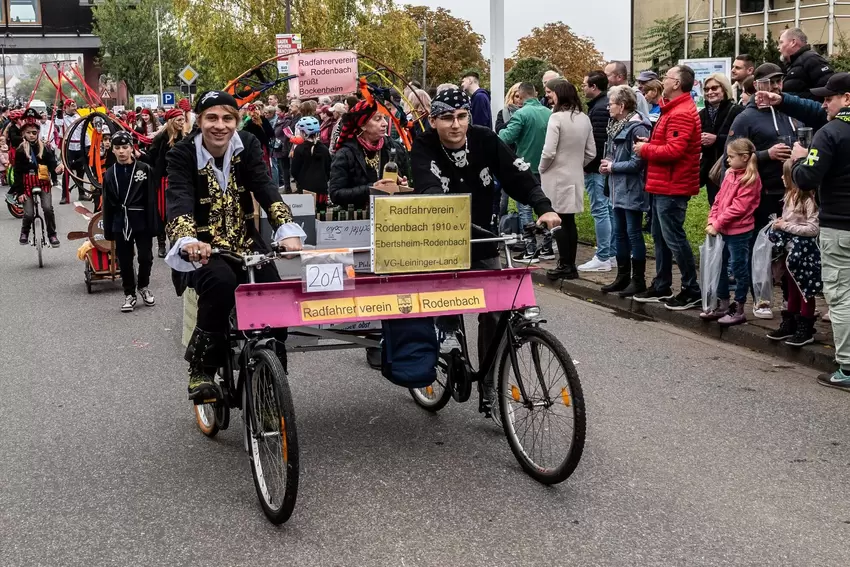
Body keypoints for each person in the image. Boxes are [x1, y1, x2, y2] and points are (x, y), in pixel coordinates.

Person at [409, 88, 561, 411]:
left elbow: (517, 174)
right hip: (441, 239)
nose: (456, 125)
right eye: (447, 118)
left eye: (462, 116)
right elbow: (427, 183)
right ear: (433, 119)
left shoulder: (485, 139)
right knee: (448, 296)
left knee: (495, 311)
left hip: (484, 235)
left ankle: (490, 385)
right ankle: (447, 334)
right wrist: (443, 209)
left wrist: (543, 207)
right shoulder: (423, 145)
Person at [164, 90, 306, 403]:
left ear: (236, 120)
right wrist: (188, 240)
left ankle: (271, 390)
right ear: (199, 121)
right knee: (221, 283)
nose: (220, 126)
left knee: (275, 300)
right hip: (203, 248)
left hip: (246, 245)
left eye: (227, 118)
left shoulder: (248, 145)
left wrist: (285, 227)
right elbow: (179, 199)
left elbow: (264, 185)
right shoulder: (182, 154)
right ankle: (201, 369)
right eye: (211, 118)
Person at [787, 72, 850, 390]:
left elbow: (807, 179)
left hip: (839, 226)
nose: (823, 103)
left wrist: (799, 160)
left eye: (829, 98)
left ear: (847, 99)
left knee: (840, 297)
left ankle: (848, 367)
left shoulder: (831, 133)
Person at [725, 63, 799, 319]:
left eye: (779, 81)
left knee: (790, 250)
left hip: (791, 194)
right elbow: (730, 153)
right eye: (770, 82)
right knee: (760, 250)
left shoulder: (789, 111)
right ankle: (761, 299)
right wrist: (766, 154)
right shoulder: (746, 117)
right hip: (761, 194)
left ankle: (791, 301)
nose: (775, 87)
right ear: (757, 85)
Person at [633, 65, 702, 310]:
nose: (663, 80)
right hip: (663, 183)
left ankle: (692, 289)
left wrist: (645, 149)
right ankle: (662, 284)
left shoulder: (680, 112)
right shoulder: (671, 108)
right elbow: (669, 142)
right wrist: (650, 142)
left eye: (667, 77)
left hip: (673, 185)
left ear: (677, 83)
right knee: (660, 237)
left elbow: (675, 151)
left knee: (673, 238)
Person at [538, 79, 595, 281]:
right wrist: (576, 164)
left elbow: (549, 151)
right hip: (574, 174)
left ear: (559, 95)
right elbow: (591, 152)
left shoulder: (556, 119)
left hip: (555, 175)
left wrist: (542, 168)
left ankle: (565, 264)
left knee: (558, 221)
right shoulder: (584, 119)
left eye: (551, 93)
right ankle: (570, 264)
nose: (548, 96)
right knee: (570, 221)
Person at [700, 138, 762, 325]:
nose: (727, 160)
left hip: (739, 232)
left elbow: (739, 208)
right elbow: (719, 199)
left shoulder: (751, 179)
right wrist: (712, 219)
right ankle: (723, 303)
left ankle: (739, 307)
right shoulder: (729, 174)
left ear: (744, 158)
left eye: (731, 156)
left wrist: (717, 224)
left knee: (738, 268)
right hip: (721, 228)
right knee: (718, 264)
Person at [598, 85, 651, 297]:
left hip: (632, 189)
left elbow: (638, 163)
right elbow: (612, 151)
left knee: (633, 233)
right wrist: (608, 162)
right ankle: (622, 277)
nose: (608, 107)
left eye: (610, 104)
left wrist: (612, 167)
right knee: (620, 234)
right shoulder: (616, 125)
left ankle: (638, 280)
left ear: (621, 105)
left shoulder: (638, 128)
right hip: (616, 188)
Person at [766, 160, 821, 346]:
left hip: (804, 253)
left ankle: (805, 326)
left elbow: (813, 228)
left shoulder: (807, 199)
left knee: (805, 288)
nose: (781, 177)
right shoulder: (789, 195)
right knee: (791, 287)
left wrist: (786, 226)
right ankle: (790, 322)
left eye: (784, 174)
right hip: (790, 252)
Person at [102, 131, 158, 312]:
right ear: (112, 150)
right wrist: (109, 228)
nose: (121, 152)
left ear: (132, 148)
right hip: (120, 220)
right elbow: (107, 202)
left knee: (145, 257)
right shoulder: (110, 173)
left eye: (125, 147)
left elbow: (151, 198)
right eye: (117, 148)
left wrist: (154, 223)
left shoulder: (143, 169)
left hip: (141, 218)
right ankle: (129, 293)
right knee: (124, 260)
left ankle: (143, 286)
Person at [498, 82, 554, 262]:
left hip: (525, 168)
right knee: (544, 207)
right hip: (547, 168)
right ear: (536, 93)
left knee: (525, 210)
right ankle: (547, 247)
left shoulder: (521, 114)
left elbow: (505, 138)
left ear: (521, 96)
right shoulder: (549, 113)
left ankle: (530, 250)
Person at [328, 99, 411, 209]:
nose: (385, 123)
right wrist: (371, 189)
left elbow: (409, 181)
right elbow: (335, 194)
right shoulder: (345, 154)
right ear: (362, 125)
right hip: (360, 220)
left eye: (384, 118)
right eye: (378, 119)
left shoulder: (395, 148)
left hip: (392, 215)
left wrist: (404, 186)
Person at [13, 108, 64, 248]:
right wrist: (20, 192)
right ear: (23, 133)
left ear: (38, 133)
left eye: (34, 133)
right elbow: (17, 172)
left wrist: (57, 170)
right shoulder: (20, 150)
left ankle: (52, 234)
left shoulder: (45, 147)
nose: (31, 135)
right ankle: (24, 232)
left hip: (43, 182)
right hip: (26, 184)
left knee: (47, 208)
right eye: (28, 133)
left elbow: (52, 163)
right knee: (28, 213)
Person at [580, 70, 615, 271]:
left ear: (594, 87)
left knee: (600, 209)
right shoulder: (601, 106)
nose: (583, 87)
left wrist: (588, 166)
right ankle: (610, 253)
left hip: (596, 169)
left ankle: (603, 256)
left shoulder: (599, 109)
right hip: (601, 167)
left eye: (585, 84)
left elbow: (597, 143)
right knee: (607, 210)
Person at [140, 108, 187, 258]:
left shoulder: (185, 137)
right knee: (162, 213)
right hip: (163, 180)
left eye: (183, 119)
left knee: (178, 212)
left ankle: (176, 242)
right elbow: (151, 158)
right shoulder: (161, 138)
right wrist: (138, 155)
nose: (182, 122)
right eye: (179, 120)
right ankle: (161, 244)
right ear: (172, 121)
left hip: (180, 180)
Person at [699, 73, 743, 205]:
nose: (710, 92)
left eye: (714, 88)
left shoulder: (737, 111)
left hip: (732, 168)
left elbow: (743, 140)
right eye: (706, 89)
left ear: (724, 89)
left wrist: (717, 140)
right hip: (711, 171)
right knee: (715, 206)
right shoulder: (702, 114)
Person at [779, 28, 833, 100]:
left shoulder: (812, 59)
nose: (778, 47)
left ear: (793, 42)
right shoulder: (794, 63)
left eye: (781, 42)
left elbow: (829, 91)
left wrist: (792, 100)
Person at [290, 116, 331, 207]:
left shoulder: (299, 149)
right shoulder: (324, 149)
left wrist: (300, 180)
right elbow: (328, 168)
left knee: (306, 215)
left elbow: (294, 171)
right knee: (321, 214)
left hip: (305, 188)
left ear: (303, 133)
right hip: (321, 188)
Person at [60, 99, 86, 203]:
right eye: (71, 105)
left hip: (80, 146)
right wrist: (59, 112)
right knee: (67, 170)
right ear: (66, 107)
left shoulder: (79, 117)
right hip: (69, 146)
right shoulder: (62, 118)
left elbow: (84, 131)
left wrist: (87, 146)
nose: (74, 107)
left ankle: (82, 193)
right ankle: (65, 195)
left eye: (75, 105)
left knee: (81, 171)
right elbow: (58, 124)